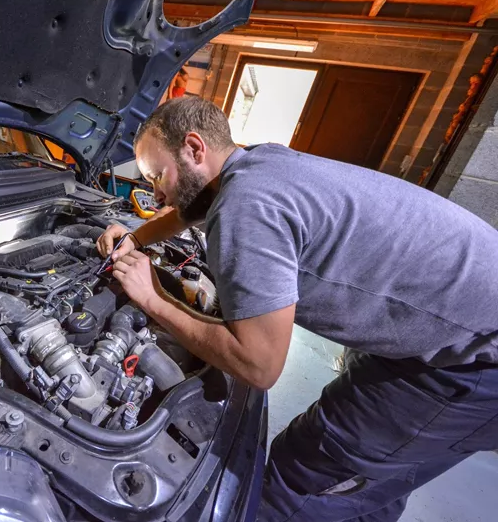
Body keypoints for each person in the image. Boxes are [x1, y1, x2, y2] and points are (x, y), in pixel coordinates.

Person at [96, 96, 498, 522]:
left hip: (473, 362)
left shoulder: (246, 206)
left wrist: (153, 297)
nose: (155, 193)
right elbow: (191, 207)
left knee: (304, 477)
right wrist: (137, 238)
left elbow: (259, 367)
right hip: (451, 322)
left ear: (195, 148)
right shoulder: (257, 163)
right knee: (372, 483)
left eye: (159, 175)